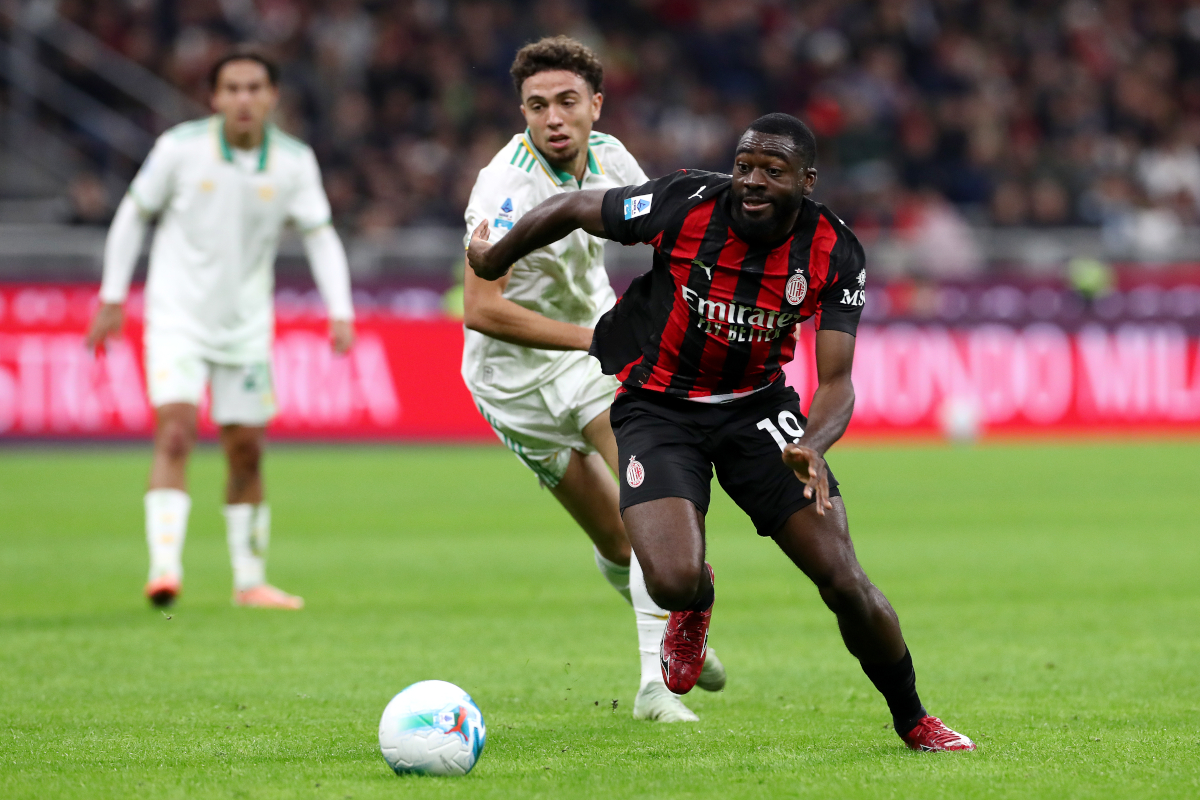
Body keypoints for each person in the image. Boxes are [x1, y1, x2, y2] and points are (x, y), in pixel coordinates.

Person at [466, 112, 976, 751]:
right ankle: (696, 600)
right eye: (744, 166)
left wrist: (812, 446)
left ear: (807, 180)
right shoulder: (686, 203)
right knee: (671, 579)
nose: (752, 181)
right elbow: (570, 206)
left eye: (772, 170)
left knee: (843, 577)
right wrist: (491, 256)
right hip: (658, 407)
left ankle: (914, 719)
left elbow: (838, 380)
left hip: (758, 411)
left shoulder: (835, 250)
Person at [460, 36, 726, 723]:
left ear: (595, 106)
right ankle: (671, 611)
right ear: (522, 110)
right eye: (538, 105)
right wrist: (593, 337)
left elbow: (663, 240)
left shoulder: (612, 158)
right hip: (511, 382)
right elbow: (482, 307)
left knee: (648, 501)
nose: (553, 118)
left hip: (593, 358)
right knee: (611, 537)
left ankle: (655, 683)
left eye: (567, 102)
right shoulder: (504, 187)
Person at [86, 50, 355, 610]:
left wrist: (340, 307)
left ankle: (250, 583)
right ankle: (164, 571)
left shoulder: (293, 162)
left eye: (254, 87)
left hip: (245, 328)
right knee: (177, 433)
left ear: (272, 96)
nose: (243, 98)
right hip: (176, 318)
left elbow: (320, 235)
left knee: (247, 452)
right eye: (231, 88)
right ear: (214, 98)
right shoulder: (179, 150)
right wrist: (113, 295)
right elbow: (134, 214)